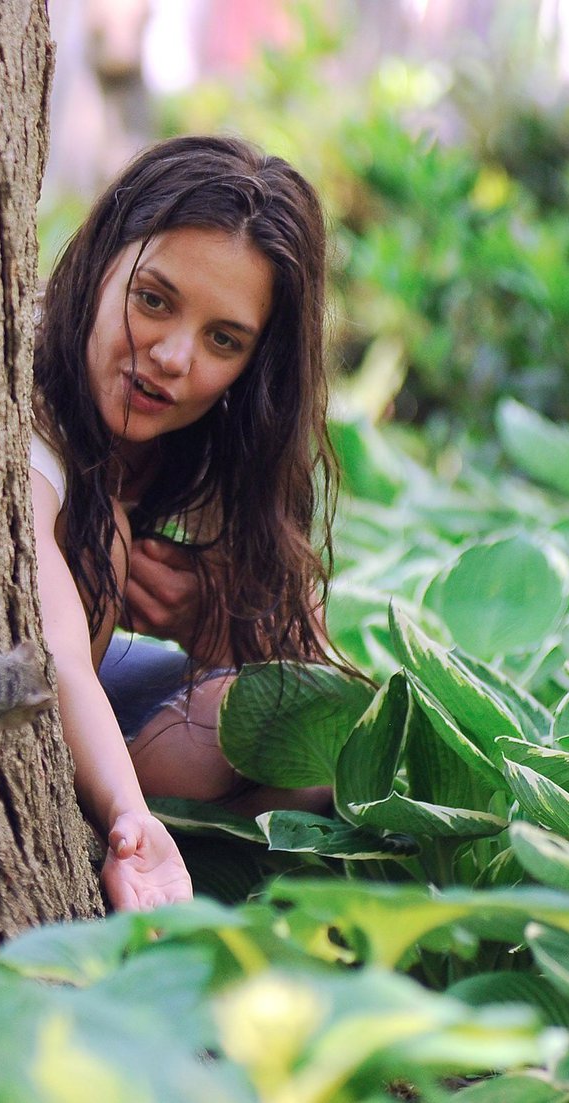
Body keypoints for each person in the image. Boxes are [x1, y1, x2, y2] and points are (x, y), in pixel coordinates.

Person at [30, 134, 342, 911]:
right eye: (154, 299)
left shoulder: (209, 443)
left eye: (222, 339)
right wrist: (130, 815)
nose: (173, 356)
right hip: (47, 704)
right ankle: (134, 851)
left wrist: (221, 623)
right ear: (103, 261)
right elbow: (57, 651)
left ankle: (196, 885)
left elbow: (325, 684)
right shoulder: (30, 415)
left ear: (253, 364)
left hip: (111, 687)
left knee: (303, 729)